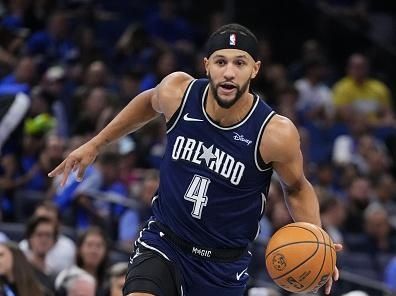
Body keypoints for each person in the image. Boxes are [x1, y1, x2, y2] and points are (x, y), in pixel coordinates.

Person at [49, 23, 342, 296]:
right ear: (207, 66)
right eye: (220, 62)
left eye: (239, 63)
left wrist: (318, 240)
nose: (229, 72)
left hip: (222, 267)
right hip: (165, 242)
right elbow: (147, 103)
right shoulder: (179, 92)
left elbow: (297, 188)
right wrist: (96, 143)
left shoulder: (274, 133)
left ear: (255, 69)